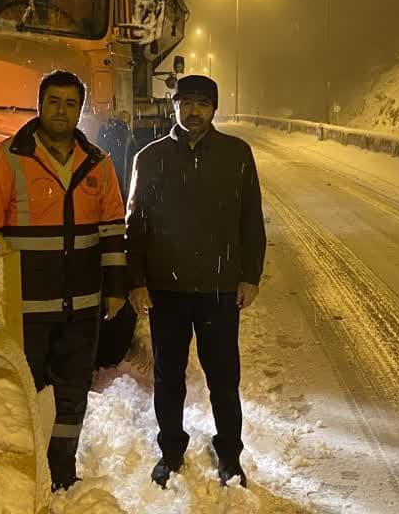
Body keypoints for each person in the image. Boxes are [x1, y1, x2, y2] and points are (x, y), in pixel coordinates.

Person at [0, 69, 127, 492]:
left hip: (82, 304)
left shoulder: (98, 164)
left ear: (81, 109)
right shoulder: (5, 159)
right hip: (23, 306)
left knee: (73, 393)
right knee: (22, 392)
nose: (61, 110)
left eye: (70, 103)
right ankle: (24, 474)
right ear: (39, 105)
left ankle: (60, 474)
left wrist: (114, 289)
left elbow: (112, 231)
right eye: (53, 101)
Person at [126, 75, 267, 488]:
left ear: (214, 108)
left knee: (224, 378)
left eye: (203, 103)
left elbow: (250, 220)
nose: (194, 111)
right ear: (173, 106)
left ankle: (230, 456)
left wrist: (250, 275)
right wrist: (136, 280)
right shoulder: (149, 158)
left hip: (220, 290)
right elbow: (135, 226)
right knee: (169, 377)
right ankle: (170, 451)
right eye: (186, 102)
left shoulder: (236, 155)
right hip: (165, 290)